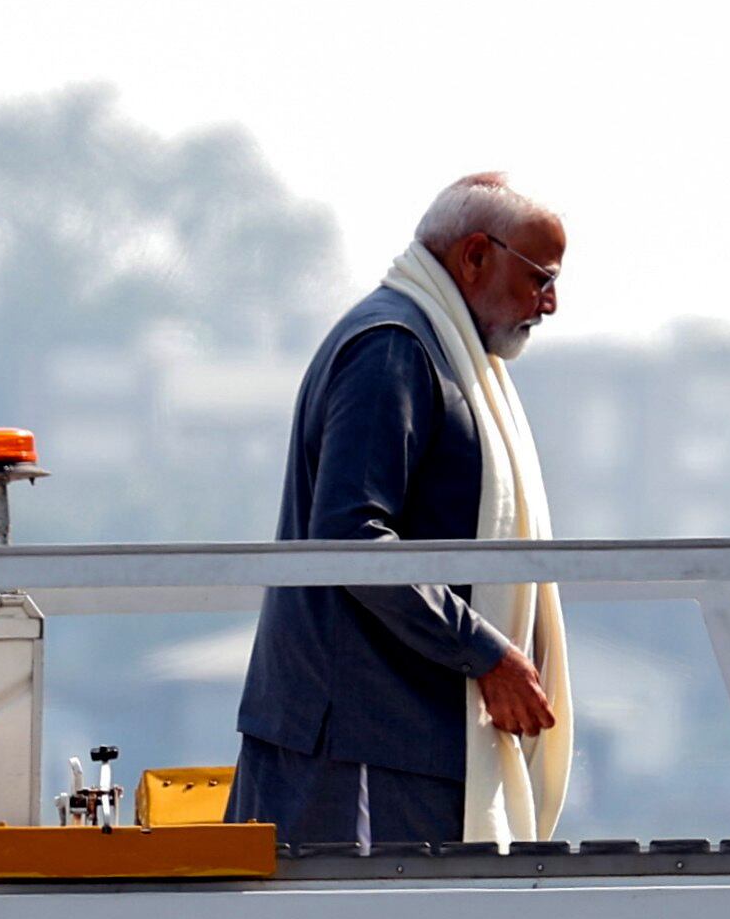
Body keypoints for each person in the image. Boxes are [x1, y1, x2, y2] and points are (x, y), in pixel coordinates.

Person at [228, 173, 575, 850]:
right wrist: (483, 653)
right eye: (540, 278)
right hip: (357, 744)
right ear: (475, 256)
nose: (551, 303)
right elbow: (350, 538)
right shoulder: (392, 348)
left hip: (404, 738)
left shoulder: (436, 349)